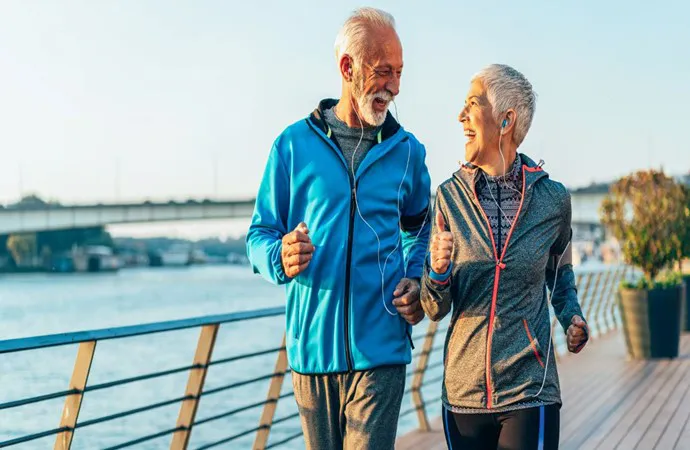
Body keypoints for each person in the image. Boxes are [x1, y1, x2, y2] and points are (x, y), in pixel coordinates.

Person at [245, 7, 432, 450]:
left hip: (382, 349)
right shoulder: (293, 146)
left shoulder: (408, 152)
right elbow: (259, 235)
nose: (394, 86)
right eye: (383, 71)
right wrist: (279, 256)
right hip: (311, 355)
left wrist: (417, 276)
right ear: (347, 68)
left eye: (399, 73)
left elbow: (421, 227)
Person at [420, 64, 589, 449]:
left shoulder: (553, 200)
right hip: (464, 394)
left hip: (531, 387)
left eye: (472, 105)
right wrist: (438, 270)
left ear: (505, 120)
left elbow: (560, 276)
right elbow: (432, 307)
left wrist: (572, 316)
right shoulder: (449, 197)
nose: (460, 116)